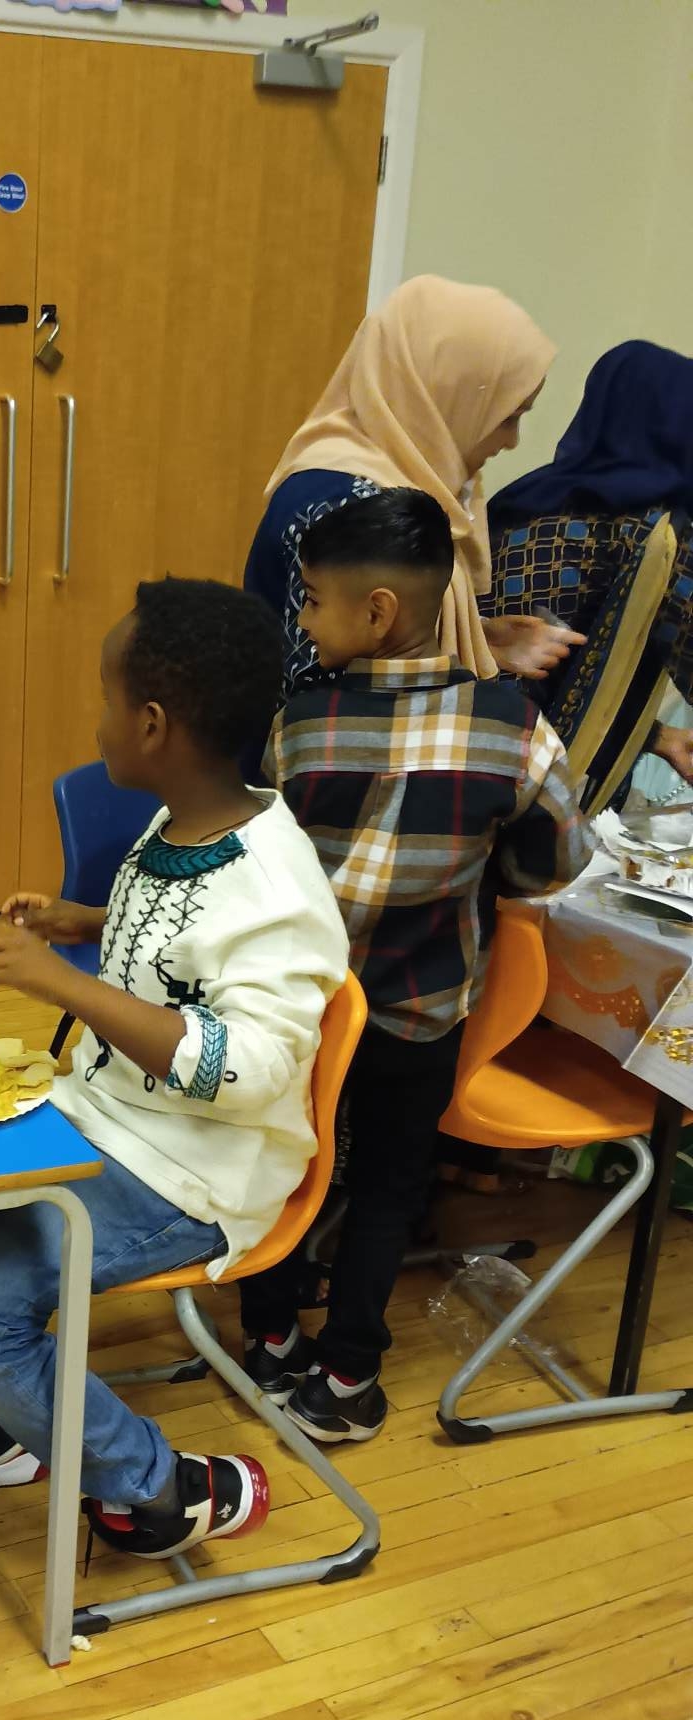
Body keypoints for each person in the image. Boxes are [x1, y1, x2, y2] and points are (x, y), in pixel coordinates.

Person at [0, 579, 349, 1560]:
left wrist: (63, 983)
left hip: (197, 1174)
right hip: (104, 1118)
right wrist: (83, 923)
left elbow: (250, 1069)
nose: (95, 720)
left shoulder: (275, 884)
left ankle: (161, 1484)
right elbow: (178, 953)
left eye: (105, 699)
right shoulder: (181, 821)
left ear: (153, 724)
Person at [248, 489, 592, 1442]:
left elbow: (263, 855)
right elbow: (556, 865)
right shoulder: (513, 727)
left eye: (313, 599)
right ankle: (346, 1374)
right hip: (422, 1007)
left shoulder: (298, 724)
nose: (304, 619)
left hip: (308, 1005)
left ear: (377, 612)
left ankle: (270, 1336)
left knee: (289, 1162)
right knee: (391, 1186)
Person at [244, 275, 577, 705]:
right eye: (507, 417)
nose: (511, 441)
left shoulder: (397, 480)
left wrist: (479, 638)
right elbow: (321, 689)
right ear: (447, 396)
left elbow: (368, 648)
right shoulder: (344, 504)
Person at [486, 341, 693, 810]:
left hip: (463, 759)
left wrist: (655, 735)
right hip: (535, 797)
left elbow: (557, 668)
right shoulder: (656, 530)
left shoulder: (525, 500)